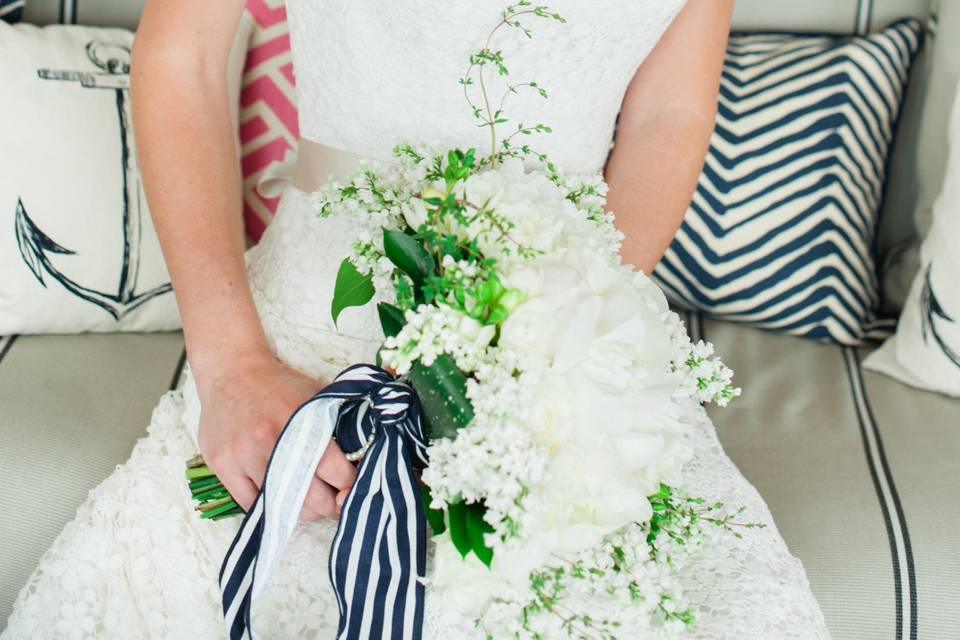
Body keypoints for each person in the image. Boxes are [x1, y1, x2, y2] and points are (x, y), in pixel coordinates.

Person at [2, 1, 831, 638]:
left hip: (570, 332)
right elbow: (181, 56)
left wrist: (572, 323)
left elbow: (668, 119)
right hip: (303, 322)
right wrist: (230, 369)